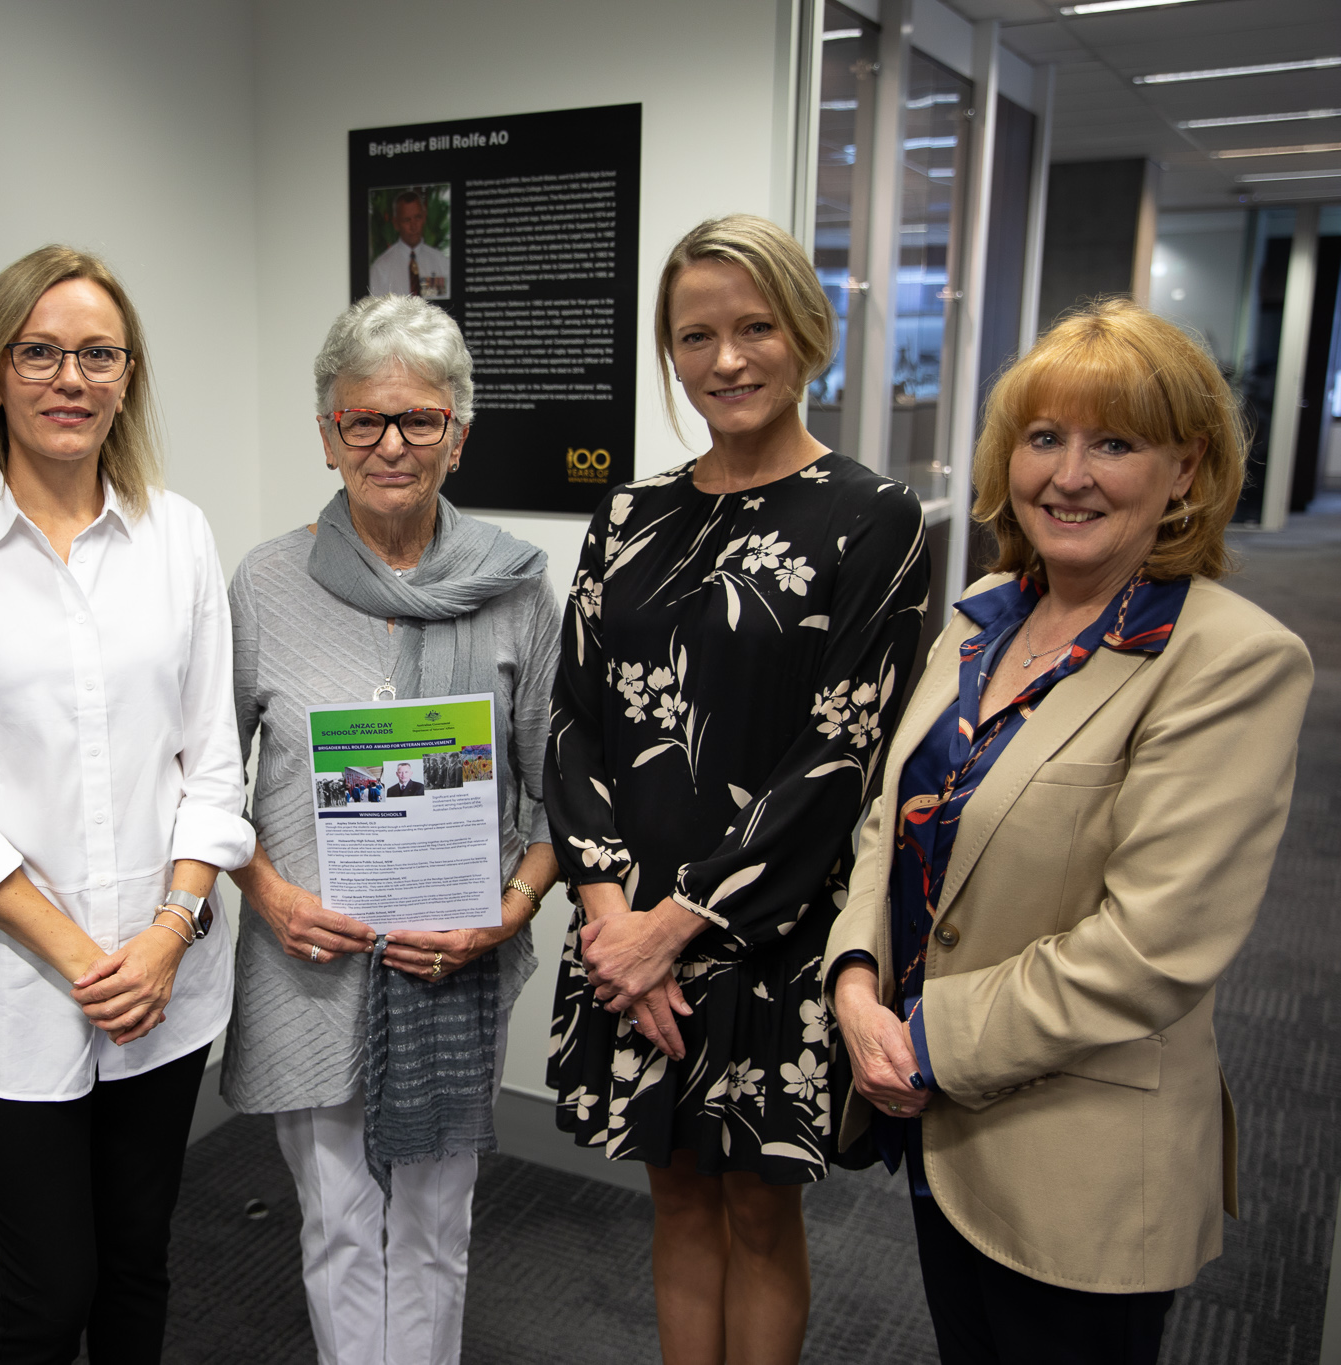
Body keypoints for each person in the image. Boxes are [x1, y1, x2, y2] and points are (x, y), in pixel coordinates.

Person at [824, 298, 1312, 1364]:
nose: (1068, 474)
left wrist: (920, 1039)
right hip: (937, 1128)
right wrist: (854, 980)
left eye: (1114, 444)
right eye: (1043, 438)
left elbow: (1149, 948)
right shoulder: (983, 610)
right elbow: (888, 816)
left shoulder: (1229, 659)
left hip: (1078, 1162)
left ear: (1185, 469)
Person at [543, 214, 929, 1365]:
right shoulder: (625, 517)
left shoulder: (873, 517)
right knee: (670, 1192)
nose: (725, 360)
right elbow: (573, 723)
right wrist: (611, 921)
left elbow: (839, 759)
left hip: (766, 939)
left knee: (758, 1208)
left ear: (805, 332)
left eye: (754, 327)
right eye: (695, 335)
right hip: (628, 943)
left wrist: (674, 928)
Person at [0, 244, 253, 1363]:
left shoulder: (174, 534)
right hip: (11, 990)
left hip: (163, 975)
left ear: (127, 377)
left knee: (136, 1264)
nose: (68, 378)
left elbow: (212, 764)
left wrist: (166, 936)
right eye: (37, 352)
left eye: (97, 354)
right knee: (49, 1290)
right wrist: (95, 960)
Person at [221, 293, 561, 1365]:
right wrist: (266, 894)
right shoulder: (263, 585)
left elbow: (559, 798)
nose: (390, 445)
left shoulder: (515, 590)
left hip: (445, 967)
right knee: (333, 1225)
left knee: (431, 1228)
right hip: (307, 963)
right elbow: (198, 784)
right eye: (362, 420)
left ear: (458, 435)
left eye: (418, 420)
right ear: (327, 436)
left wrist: (504, 915)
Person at [368, 189, 451, 298]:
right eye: (407, 220)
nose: (413, 226)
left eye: (418, 217)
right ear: (396, 223)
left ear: (424, 217)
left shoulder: (441, 263)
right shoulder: (381, 269)